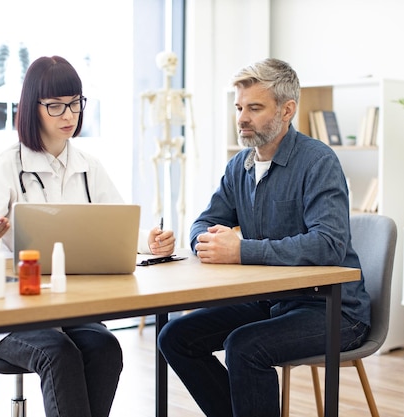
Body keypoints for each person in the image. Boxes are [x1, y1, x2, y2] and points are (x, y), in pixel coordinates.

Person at [0, 55, 175, 417]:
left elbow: (118, 223)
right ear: (32, 108)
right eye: (55, 106)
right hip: (14, 308)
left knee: (105, 348)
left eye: (75, 103)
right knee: (57, 353)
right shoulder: (7, 164)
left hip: (71, 304)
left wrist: (148, 241)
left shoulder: (90, 166)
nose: (68, 115)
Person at [157, 58, 371, 417]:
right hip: (273, 301)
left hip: (333, 309)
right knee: (175, 337)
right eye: (239, 107)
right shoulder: (238, 165)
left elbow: (329, 244)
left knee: (244, 346)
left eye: (254, 108)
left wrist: (241, 250)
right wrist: (204, 242)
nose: (241, 117)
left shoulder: (318, 162)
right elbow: (204, 221)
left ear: (287, 110)